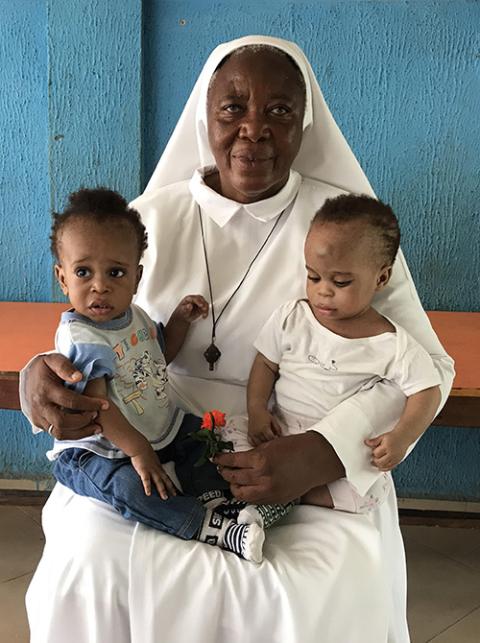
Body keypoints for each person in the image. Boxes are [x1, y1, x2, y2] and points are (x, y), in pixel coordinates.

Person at [23, 36, 454, 643]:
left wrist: (323, 452)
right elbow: (92, 327)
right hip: (157, 437)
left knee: (316, 586)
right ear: (207, 118)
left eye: (279, 111)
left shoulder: (345, 227)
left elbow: (427, 365)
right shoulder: (147, 216)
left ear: (304, 126)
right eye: (233, 109)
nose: (254, 130)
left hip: (296, 443)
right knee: (89, 563)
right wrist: (35, 376)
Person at [47, 186, 266, 562]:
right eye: (83, 272)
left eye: (116, 272)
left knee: (200, 434)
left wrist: (179, 320)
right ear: (63, 278)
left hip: (152, 424)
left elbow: (158, 355)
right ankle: (207, 526)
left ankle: (214, 498)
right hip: (98, 448)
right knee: (131, 489)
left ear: (136, 278)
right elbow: (98, 407)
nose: (100, 285)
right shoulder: (83, 337)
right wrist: (139, 451)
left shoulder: (135, 316)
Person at [222, 193, 441, 528]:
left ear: (381, 278)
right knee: (226, 443)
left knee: (366, 493)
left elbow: (427, 391)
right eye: (313, 277)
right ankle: (265, 494)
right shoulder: (293, 317)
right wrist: (256, 410)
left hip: (327, 453)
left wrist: (401, 437)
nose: (323, 291)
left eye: (340, 282)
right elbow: (265, 364)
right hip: (277, 429)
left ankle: (292, 495)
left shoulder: (391, 344)